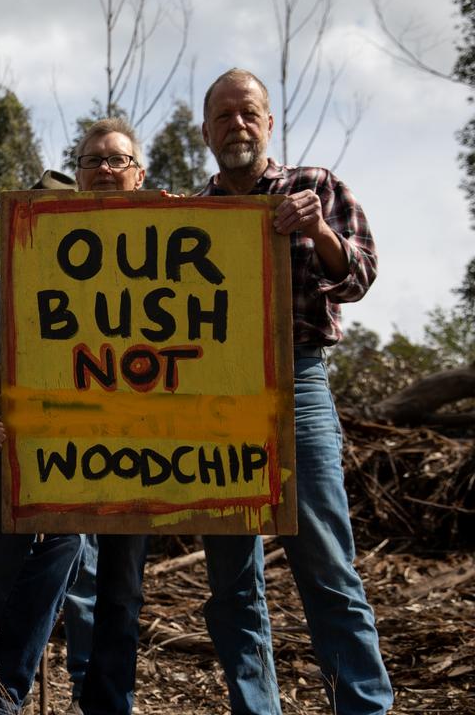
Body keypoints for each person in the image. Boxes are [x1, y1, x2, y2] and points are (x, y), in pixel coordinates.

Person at [196, 68, 391, 715]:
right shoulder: (185, 217)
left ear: (269, 123)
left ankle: (364, 706)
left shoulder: (316, 188)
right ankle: (257, 708)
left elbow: (361, 274)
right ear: (205, 131)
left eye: (248, 113)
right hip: (212, 397)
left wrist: (320, 233)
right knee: (230, 579)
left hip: (297, 379)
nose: (238, 125)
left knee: (326, 562)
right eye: (224, 116)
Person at [0, 169, 83, 715]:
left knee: (68, 545)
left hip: (82, 450)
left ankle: (5, 690)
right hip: (4, 443)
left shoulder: (100, 289)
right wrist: (23, 389)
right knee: (0, 583)